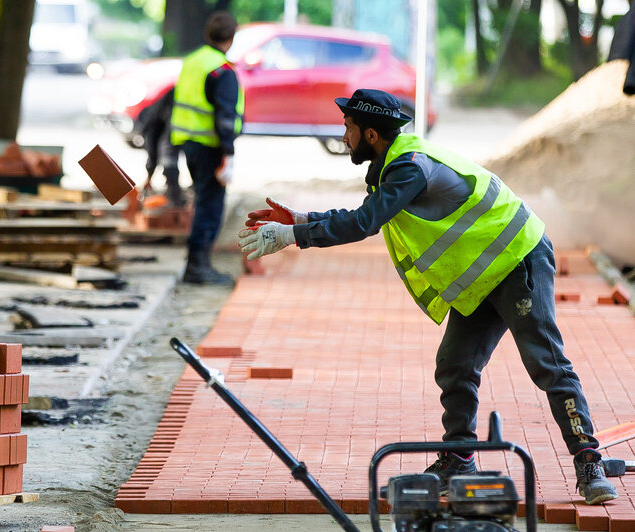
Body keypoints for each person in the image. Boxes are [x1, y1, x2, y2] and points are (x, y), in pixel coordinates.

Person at [239, 88, 619, 505]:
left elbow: (366, 222)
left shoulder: (409, 168)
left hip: (515, 260)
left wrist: (294, 236)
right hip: (483, 273)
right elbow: (365, 213)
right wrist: (301, 219)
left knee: (545, 362)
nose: (342, 136)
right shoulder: (395, 165)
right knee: (454, 365)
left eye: (347, 128)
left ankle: (589, 463)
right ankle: (458, 457)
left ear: (369, 134)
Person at [170, 10, 244, 285]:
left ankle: (197, 265)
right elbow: (225, 117)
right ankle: (197, 267)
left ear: (207, 34)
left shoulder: (192, 61)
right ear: (232, 38)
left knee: (203, 201)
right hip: (211, 147)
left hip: (187, 142)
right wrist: (229, 155)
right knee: (209, 207)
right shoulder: (221, 70)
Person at [135, 87, 184, 207]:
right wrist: (149, 176)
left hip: (179, 120)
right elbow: (153, 155)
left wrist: (149, 176)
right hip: (182, 119)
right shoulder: (154, 120)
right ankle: (175, 197)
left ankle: (175, 198)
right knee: (169, 157)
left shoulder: (152, 124)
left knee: (168, 156)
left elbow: (154, 154)